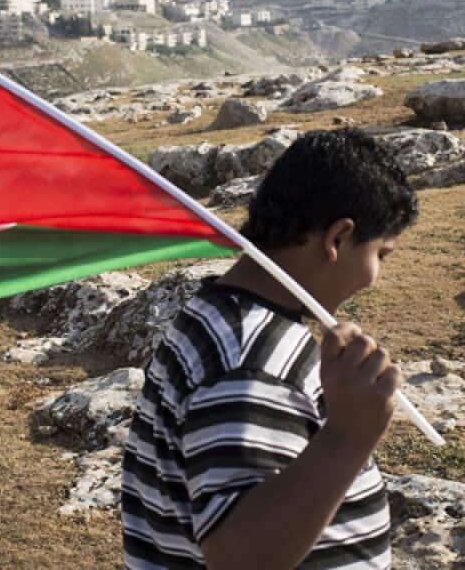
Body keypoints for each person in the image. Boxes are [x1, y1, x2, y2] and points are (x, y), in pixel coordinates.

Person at [122, 127, 420, 569]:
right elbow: (239, 556)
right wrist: (347, 437)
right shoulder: (247, 363)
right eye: (382, 254)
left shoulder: (225, 314)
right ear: (337, 239)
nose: (376, 276)